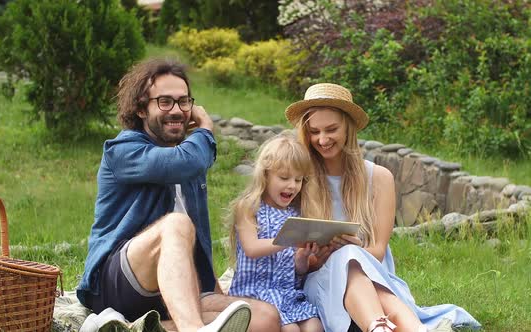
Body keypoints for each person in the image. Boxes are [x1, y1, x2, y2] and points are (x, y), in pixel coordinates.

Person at [76, 58, 281, 332]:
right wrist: (206, 128)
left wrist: (213, 290)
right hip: (117, 282)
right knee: (176, 223)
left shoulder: (189, 159)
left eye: (184, 102)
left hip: (169, 292)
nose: (177, 110)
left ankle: (149, 327)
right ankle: (192, 329)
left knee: (264, 317)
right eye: (165, 102)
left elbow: (196, 242)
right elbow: (185, 164)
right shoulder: (123, 150)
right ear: (140, 108)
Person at [284, 83, 481, 332]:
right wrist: (312, 260)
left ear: (348, 127)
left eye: (331, 129)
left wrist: (354, 247)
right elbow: (288, 253)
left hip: (375, 277)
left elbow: (376, 252)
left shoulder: (379, 177)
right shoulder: (299, 178)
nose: (322, 140)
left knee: (351, 256)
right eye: (314, 132)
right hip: (319, 281)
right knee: (347, 258)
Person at [227, 133, 325, 332]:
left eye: (298, 180)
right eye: (284, 178)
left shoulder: (296, 214)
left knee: (315, 326)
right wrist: (289, 239)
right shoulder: (249, 207)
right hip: (255, 293)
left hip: (286, 294)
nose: (292, 185)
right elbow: (252, 249)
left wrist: (303, 257)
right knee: (290, 330)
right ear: (265, 175)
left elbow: (297, 269)